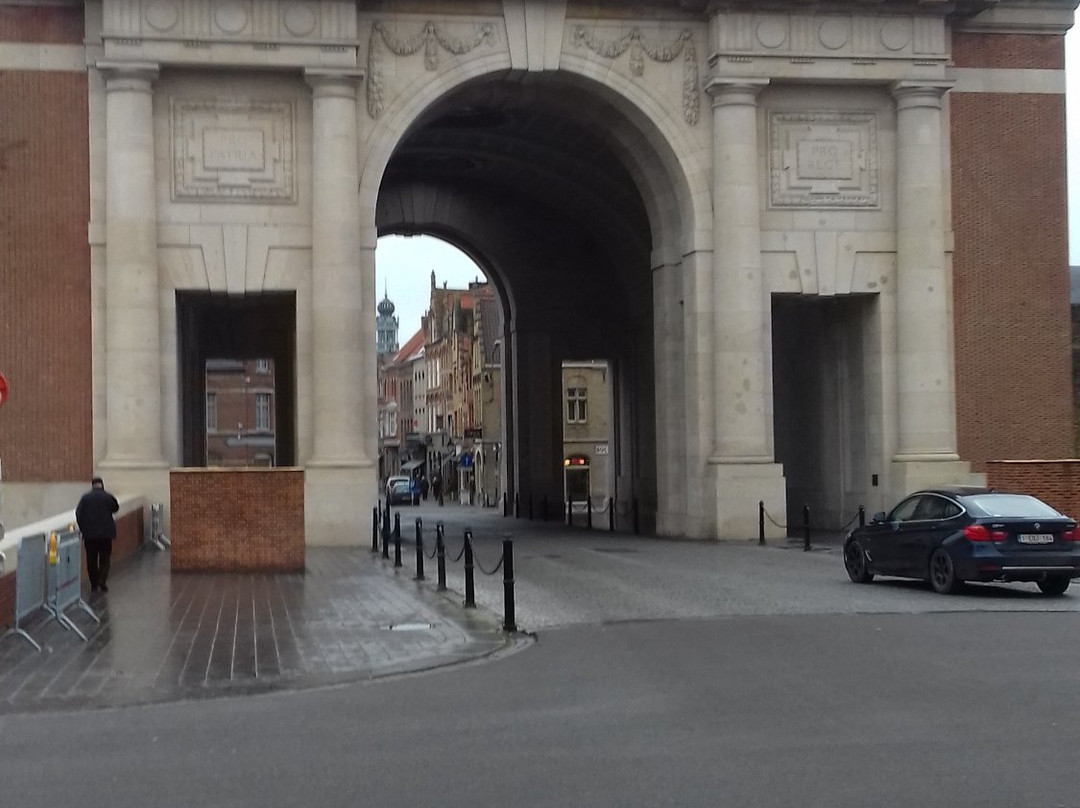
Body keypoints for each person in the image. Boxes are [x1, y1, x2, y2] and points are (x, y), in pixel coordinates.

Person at [75, 476, 119, 593]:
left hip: (90, 535)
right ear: (102, 485)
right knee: (105, 558)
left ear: (92, 485)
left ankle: (94, 584)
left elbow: (78, 514)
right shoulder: (108, 496)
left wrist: (83, 529)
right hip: (106, 534)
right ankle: (102, 580)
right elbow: (116, 508)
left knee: (91, 559)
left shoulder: (85, 498)